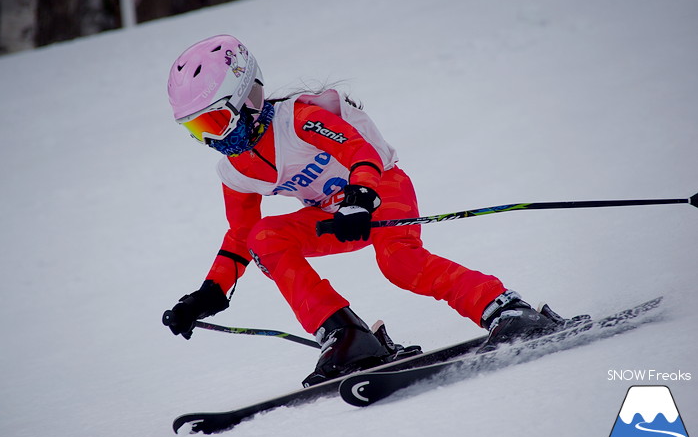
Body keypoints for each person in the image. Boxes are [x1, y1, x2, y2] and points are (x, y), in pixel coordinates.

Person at [162, 35, 566, 386]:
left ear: (247, 97)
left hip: (382, 188)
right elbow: (240, 235)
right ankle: (346, 336)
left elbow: (361, 151)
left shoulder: (298, 120)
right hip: (335, 215)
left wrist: (360, 197)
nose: (211, 140)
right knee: (264, 238)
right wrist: (209, 292)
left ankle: (507, 309)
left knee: (400, 264)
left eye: (215, 121)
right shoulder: (235, 169)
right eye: (196, 130)